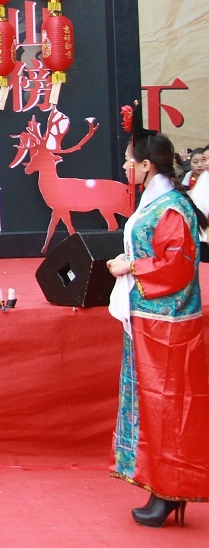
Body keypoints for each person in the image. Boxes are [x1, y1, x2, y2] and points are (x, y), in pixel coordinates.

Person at [106, 128, 209, 527]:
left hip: (168, 326)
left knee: (168, 407)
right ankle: (163, 488)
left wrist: (131, 266)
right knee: (157, 406)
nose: (125, 166)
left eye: (130, 160)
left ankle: (170, 490)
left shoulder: (171, 208)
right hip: (151, 320)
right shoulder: (160, 201)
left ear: (147, 166)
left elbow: (178, 266)